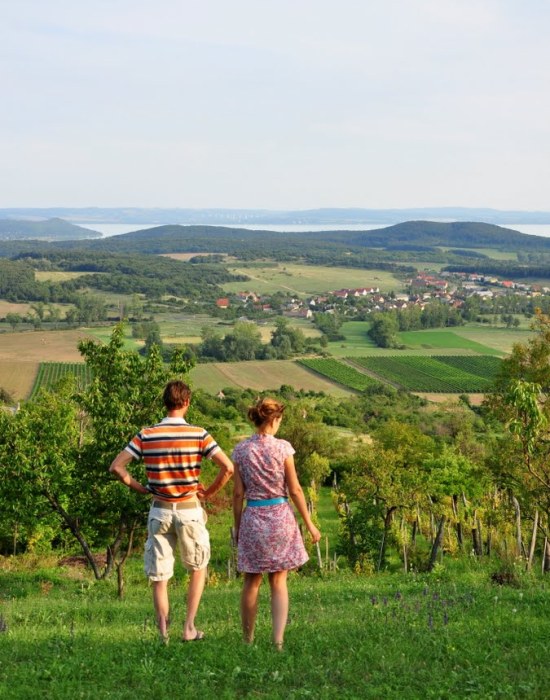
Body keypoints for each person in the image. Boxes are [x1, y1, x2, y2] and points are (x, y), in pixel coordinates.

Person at [109, 380, 234, 643]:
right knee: (198, 568)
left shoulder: (146, 434)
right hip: (190, 509)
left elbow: (117, 467)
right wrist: (208, 493)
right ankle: (189, 628)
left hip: (159, 510)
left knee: (160, 575)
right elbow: (228, 468)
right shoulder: (200, 434)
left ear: (165, 403)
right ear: (187, 402)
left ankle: (163, 634)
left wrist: (141, 488)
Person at [232, 397, 321, 650]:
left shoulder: (240, 450)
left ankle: (248, 641)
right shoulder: (283, 449)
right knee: (278, 581)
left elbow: (238, 494)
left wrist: (238, 528)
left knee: (251, 581)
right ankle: (278, 641)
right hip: (280, 517)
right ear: (275, 419)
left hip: (253, 519)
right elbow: (295, 489)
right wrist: (310, 523)